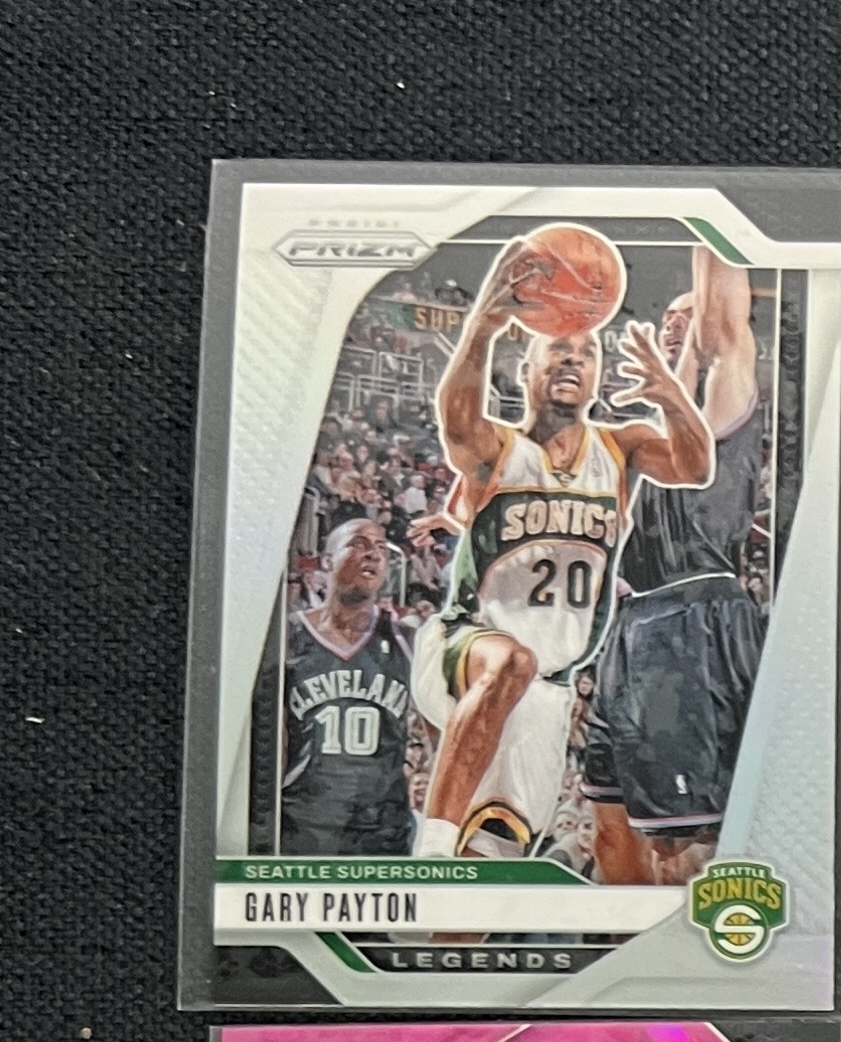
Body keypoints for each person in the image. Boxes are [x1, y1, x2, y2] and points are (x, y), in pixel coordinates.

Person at [410, 239, 713, 857]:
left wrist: (671, 397)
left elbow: (694, 466)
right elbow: (457, 425)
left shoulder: (620, 448)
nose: (574, 359)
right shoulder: (500, 448)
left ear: (598, 375)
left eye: (587, 352)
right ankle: (431, 851)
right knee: (509, 661)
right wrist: (482, 328)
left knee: (493, 860)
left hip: (549, 688)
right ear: (526, 371)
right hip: (466, 645)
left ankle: (450, 893)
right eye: (558, 349)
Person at [584, 249, 765, 884]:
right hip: (632, 628)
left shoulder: (725, 393)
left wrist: (711, 219)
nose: (674, 323)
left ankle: (700, 946)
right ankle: (623, 940)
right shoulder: (646, 437)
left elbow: (721, 323)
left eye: (687, 315)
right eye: (666, 316)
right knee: (611, 831)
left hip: (692, 621)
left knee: (686, 845)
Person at [249, 518, 414, 853]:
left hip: (384, 830)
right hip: (304, 826)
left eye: (381, 548)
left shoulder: (407, 638)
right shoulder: (286, 636)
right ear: (326, 561)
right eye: (359, 544)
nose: (373, 554)